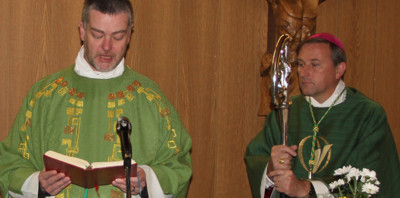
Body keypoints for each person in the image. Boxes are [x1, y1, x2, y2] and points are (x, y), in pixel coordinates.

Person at [0, 0, 192, 197]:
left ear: (129, 34)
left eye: (117, 36)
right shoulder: (45, 96)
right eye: (98, 35)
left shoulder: (151, 99)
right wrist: (37, 184)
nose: (107, 47)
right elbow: (10, 163)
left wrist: (148, 180)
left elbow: (178, 165)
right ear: (82, 30)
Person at [245, 32, 400, 197]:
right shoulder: (286, 112)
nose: (303, 72)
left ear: (339, 70)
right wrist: (271, 166)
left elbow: (371, 180)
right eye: (301, 64)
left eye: (315, 64)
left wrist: (307, 189)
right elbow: (256, 158)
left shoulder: (367, 114)